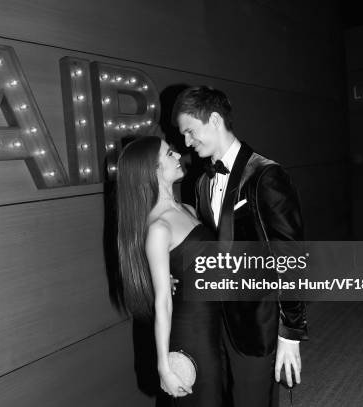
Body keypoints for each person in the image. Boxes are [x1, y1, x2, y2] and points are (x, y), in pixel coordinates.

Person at [172, 86, 308, 407]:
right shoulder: (200, 181)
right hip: (213, 321)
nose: (187, 142)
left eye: (190, 131)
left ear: (215, 120)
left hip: (255, 322)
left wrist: (290, 330)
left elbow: (291, 255)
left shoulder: (265, 175)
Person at [116, 135, 223, 406]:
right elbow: (163, 301)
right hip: (191, 334)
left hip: (215, 324)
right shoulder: (158, 228)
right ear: (151, 171)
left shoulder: (186, 208)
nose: (179, 157)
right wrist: (163, 366)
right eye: (170, 155)